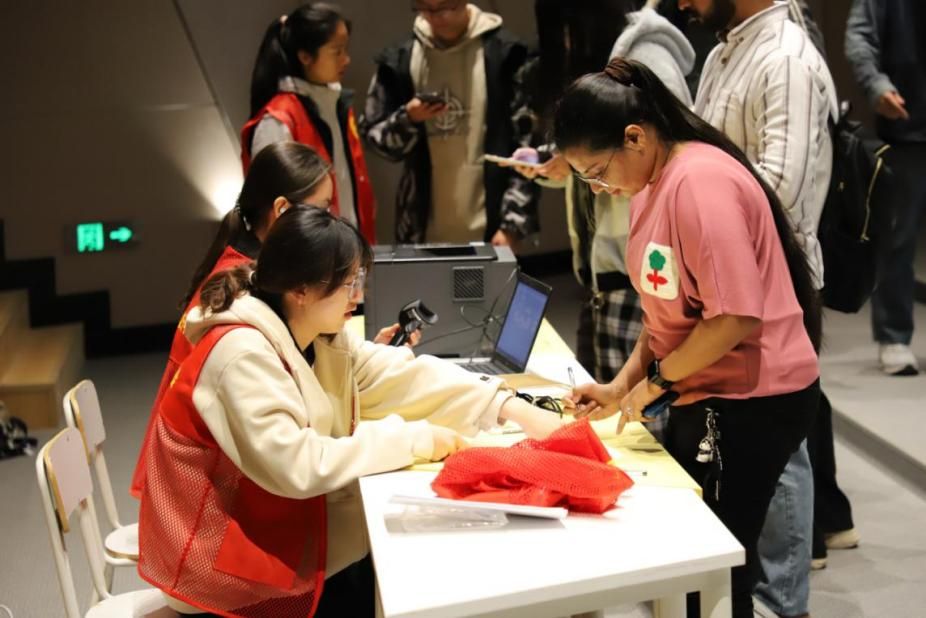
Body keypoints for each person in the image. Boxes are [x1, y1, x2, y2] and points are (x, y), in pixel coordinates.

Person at [137, 206, 562, 616]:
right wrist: (416, 438)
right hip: (225, 567)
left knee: (399, 571)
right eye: (347, 284)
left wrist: (507, 405)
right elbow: (298, 465)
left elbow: (394, 376)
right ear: (301, 290)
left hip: (275, 530)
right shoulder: (240, 354)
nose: (358, 297)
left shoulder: (310, 329)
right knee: (403, 583)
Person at [557, 58, 821, 618]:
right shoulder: (651, 183)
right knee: (698, 563)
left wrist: (655, 384)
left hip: (752, 397)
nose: (600, 187)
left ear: (635, 136)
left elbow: (735, 316)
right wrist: (620, 386)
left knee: (714, 568)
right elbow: (666, 312)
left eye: (597, 171)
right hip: (706, 388)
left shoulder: (700, 183)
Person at [130, 142, 404, 500]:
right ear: (282, 210)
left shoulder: (253, 271)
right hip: (201, 493)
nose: (329, 219)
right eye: (322, 208)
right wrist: (406, 439)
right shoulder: (244, 297)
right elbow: (297, 464)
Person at [680, 0, 840, 613]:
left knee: (779, 446)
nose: (682, 3)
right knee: (748, 441)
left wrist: (701, 230)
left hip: (777, 290)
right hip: (727, 284)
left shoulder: (787, 57)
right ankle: (753, 592)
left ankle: (781, 603)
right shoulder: (725, 50)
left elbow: (783, 190)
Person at [505, 0, 694, 431]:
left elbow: (667, 167)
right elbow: (617, 166)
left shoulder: (645, 58)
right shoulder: (602, 58)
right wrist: (567, 168)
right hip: (602, 272)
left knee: (646, 428)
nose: (565, 42)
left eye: (569, 29)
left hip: (643, 273)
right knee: (610, 420)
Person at [359, 0, 538, 247]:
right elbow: (373, 137)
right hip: (421, 230)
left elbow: (529, 146)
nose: (436, 18)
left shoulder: (507, 54)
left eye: (445, 8)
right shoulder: (400, 57)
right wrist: (408, 119)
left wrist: (513, 224)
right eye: (426, 9)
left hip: (493, 227)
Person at [242, 2, 376, 243]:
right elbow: (271, 211)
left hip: (343, 248)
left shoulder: (337, 106)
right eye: (337, 51)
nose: (346, 59)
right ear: (305, 56)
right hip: (308, 254)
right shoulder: (278, 119)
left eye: (346, 49)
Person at [846, 0, 926, 376]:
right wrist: (875, 85)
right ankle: (894, 336)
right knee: (897, 238)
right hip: (907, 125)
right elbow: (860, 36)